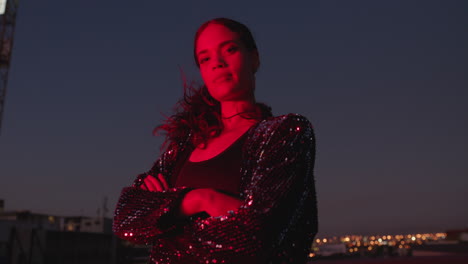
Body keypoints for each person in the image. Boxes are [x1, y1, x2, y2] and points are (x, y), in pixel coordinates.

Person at [113, 17, 318, 264]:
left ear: (254, 58)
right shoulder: (184, 147)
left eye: (229, 50)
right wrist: (198, 199)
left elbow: (258, 237)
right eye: (205, 58)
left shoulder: (285, 133)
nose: (217, 64)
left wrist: (168, 222)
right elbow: (125, 219)